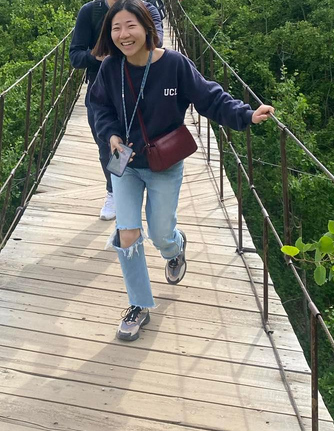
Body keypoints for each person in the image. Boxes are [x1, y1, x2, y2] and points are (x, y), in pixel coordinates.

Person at [89, 0, 275, 341]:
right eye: (116, 28)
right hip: (125, 163)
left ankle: (175, 248)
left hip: (164, 164)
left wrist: (246, 115)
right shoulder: (109, 69)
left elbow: (210, 97)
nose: (123, 35)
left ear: (147, 27)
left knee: (161, 235)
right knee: (127, 232)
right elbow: (98, 104)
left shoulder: (174, 64)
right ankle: (139, 305)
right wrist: (111, 134)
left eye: (130, 26)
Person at [69, 0, 163, 221]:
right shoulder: (90, 12)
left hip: (141, 91)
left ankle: (145, 192)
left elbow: (156, 45)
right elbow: (75, 56)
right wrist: (96, 56)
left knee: (146, 142)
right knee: (109, 147)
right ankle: (115, 192)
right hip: (103, 95)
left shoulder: (147, 10)